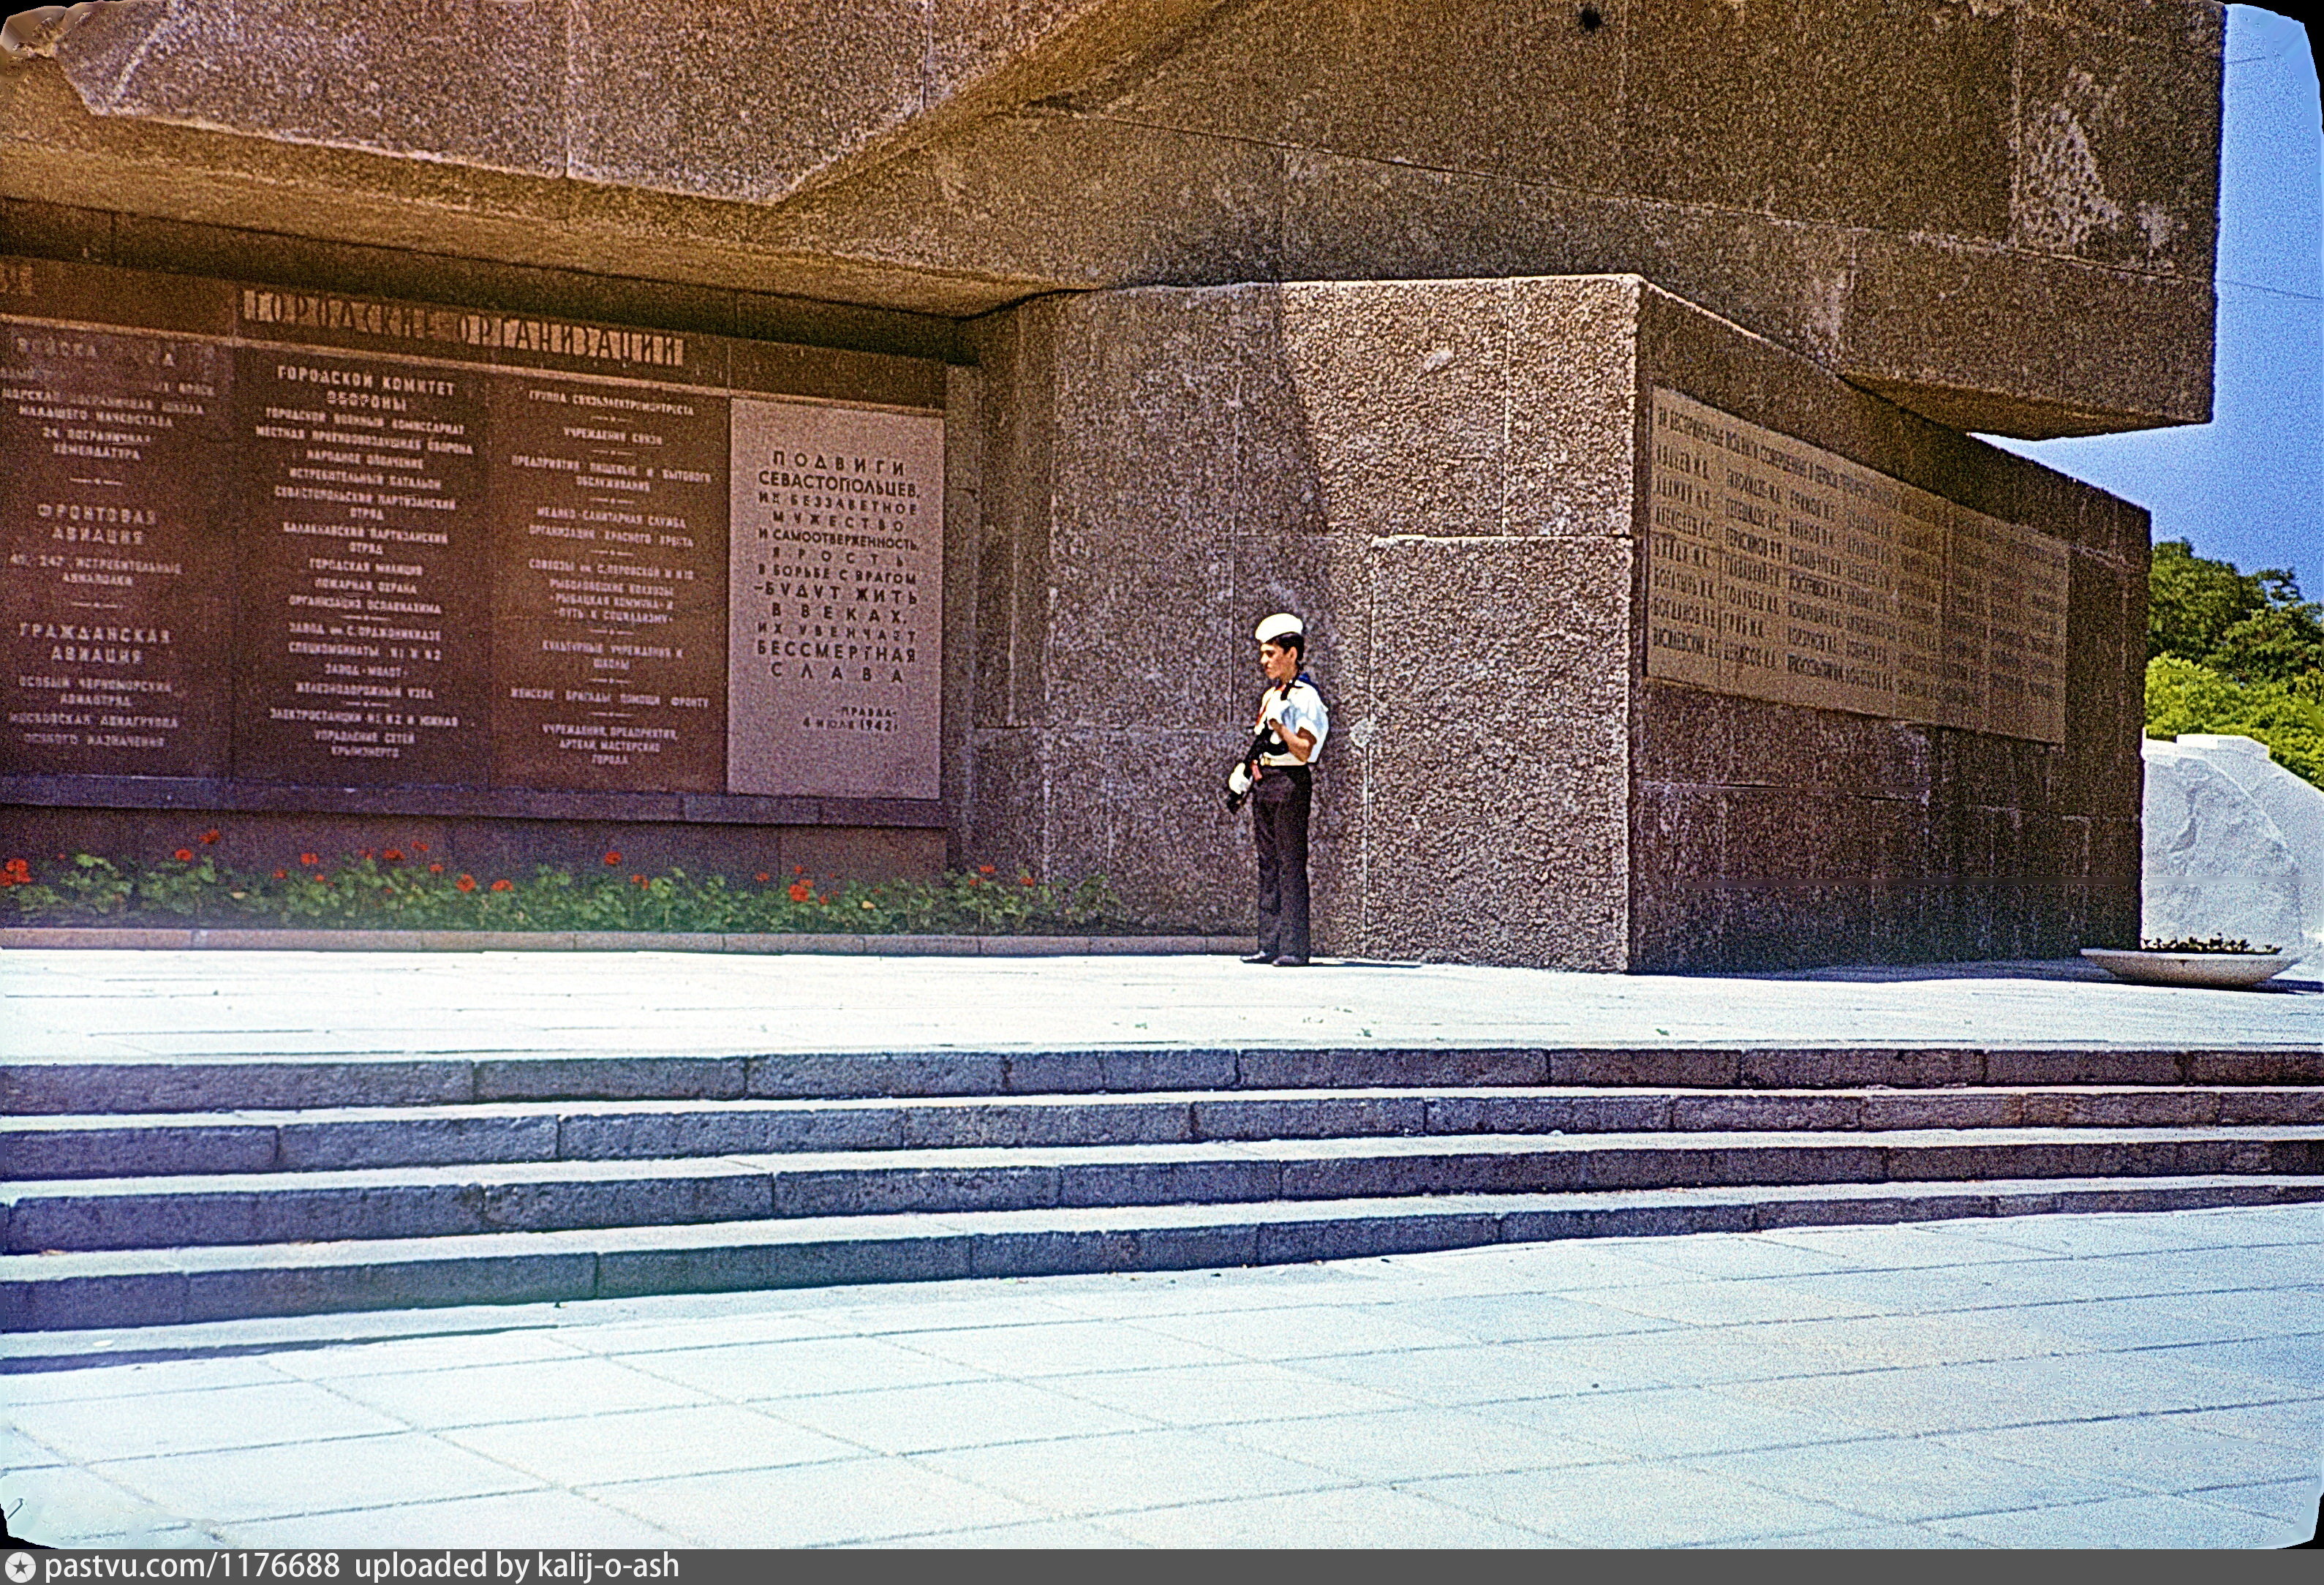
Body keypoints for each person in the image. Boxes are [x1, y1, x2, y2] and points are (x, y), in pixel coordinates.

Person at [1242, 612, 1328, 966]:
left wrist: (1279, 724)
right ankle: (1270, 942)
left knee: (1290, 864)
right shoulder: (1271, 695)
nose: (1264, 662)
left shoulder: (1306, 697)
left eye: (1271, 653)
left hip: (1291, 784)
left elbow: (1306, 750)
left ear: (1291, 654)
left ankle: (1294, 947)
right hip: (1267, 784)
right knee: (1268, 864)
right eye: (1262, 654)